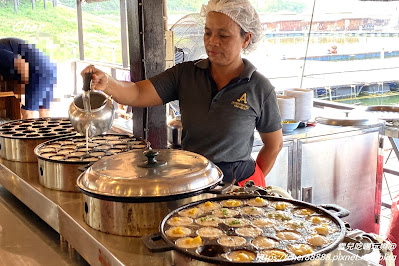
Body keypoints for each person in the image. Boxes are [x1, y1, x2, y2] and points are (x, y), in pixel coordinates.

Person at [81, 0, 283, 186]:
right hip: (194, 181)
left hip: (238, 185)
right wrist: (107, 83)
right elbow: (137, 92)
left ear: (246, 39)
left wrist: (249, 183)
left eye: (223, 35)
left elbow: (273, 144)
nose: (212, 42)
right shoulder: (185, 74)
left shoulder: (260, 88)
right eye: (207, 32)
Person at [0, 37, 57, 119]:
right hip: (50, 69)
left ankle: (29, 131)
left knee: (27, 112)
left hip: (38, 72)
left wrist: (27, 88)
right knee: (43, 110)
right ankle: (45, 130)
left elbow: (21, 65)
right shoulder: (5, 45)